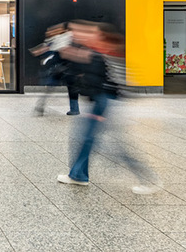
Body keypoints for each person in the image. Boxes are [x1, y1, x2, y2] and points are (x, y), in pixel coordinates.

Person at [56, 23, 159, 194]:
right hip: (100, 102)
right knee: (86, 139)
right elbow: (81, 57)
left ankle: (149, 180)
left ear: (104, 38)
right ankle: (78, 175)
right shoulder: (100, 54)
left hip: (106, 104)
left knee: (114, 148)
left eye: (95, 35)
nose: (90, 37)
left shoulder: (108, 56)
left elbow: (113, 83)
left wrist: (102, 113)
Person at [30, 23, 78, 116]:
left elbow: (58, 52)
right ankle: (41, 105)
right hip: (58, 67)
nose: (50, 32)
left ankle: (74, 109)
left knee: (71, 88)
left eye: (54, 30)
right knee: (53, 85)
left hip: (66, 67)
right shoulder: (55, 40)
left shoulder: (65, 38)